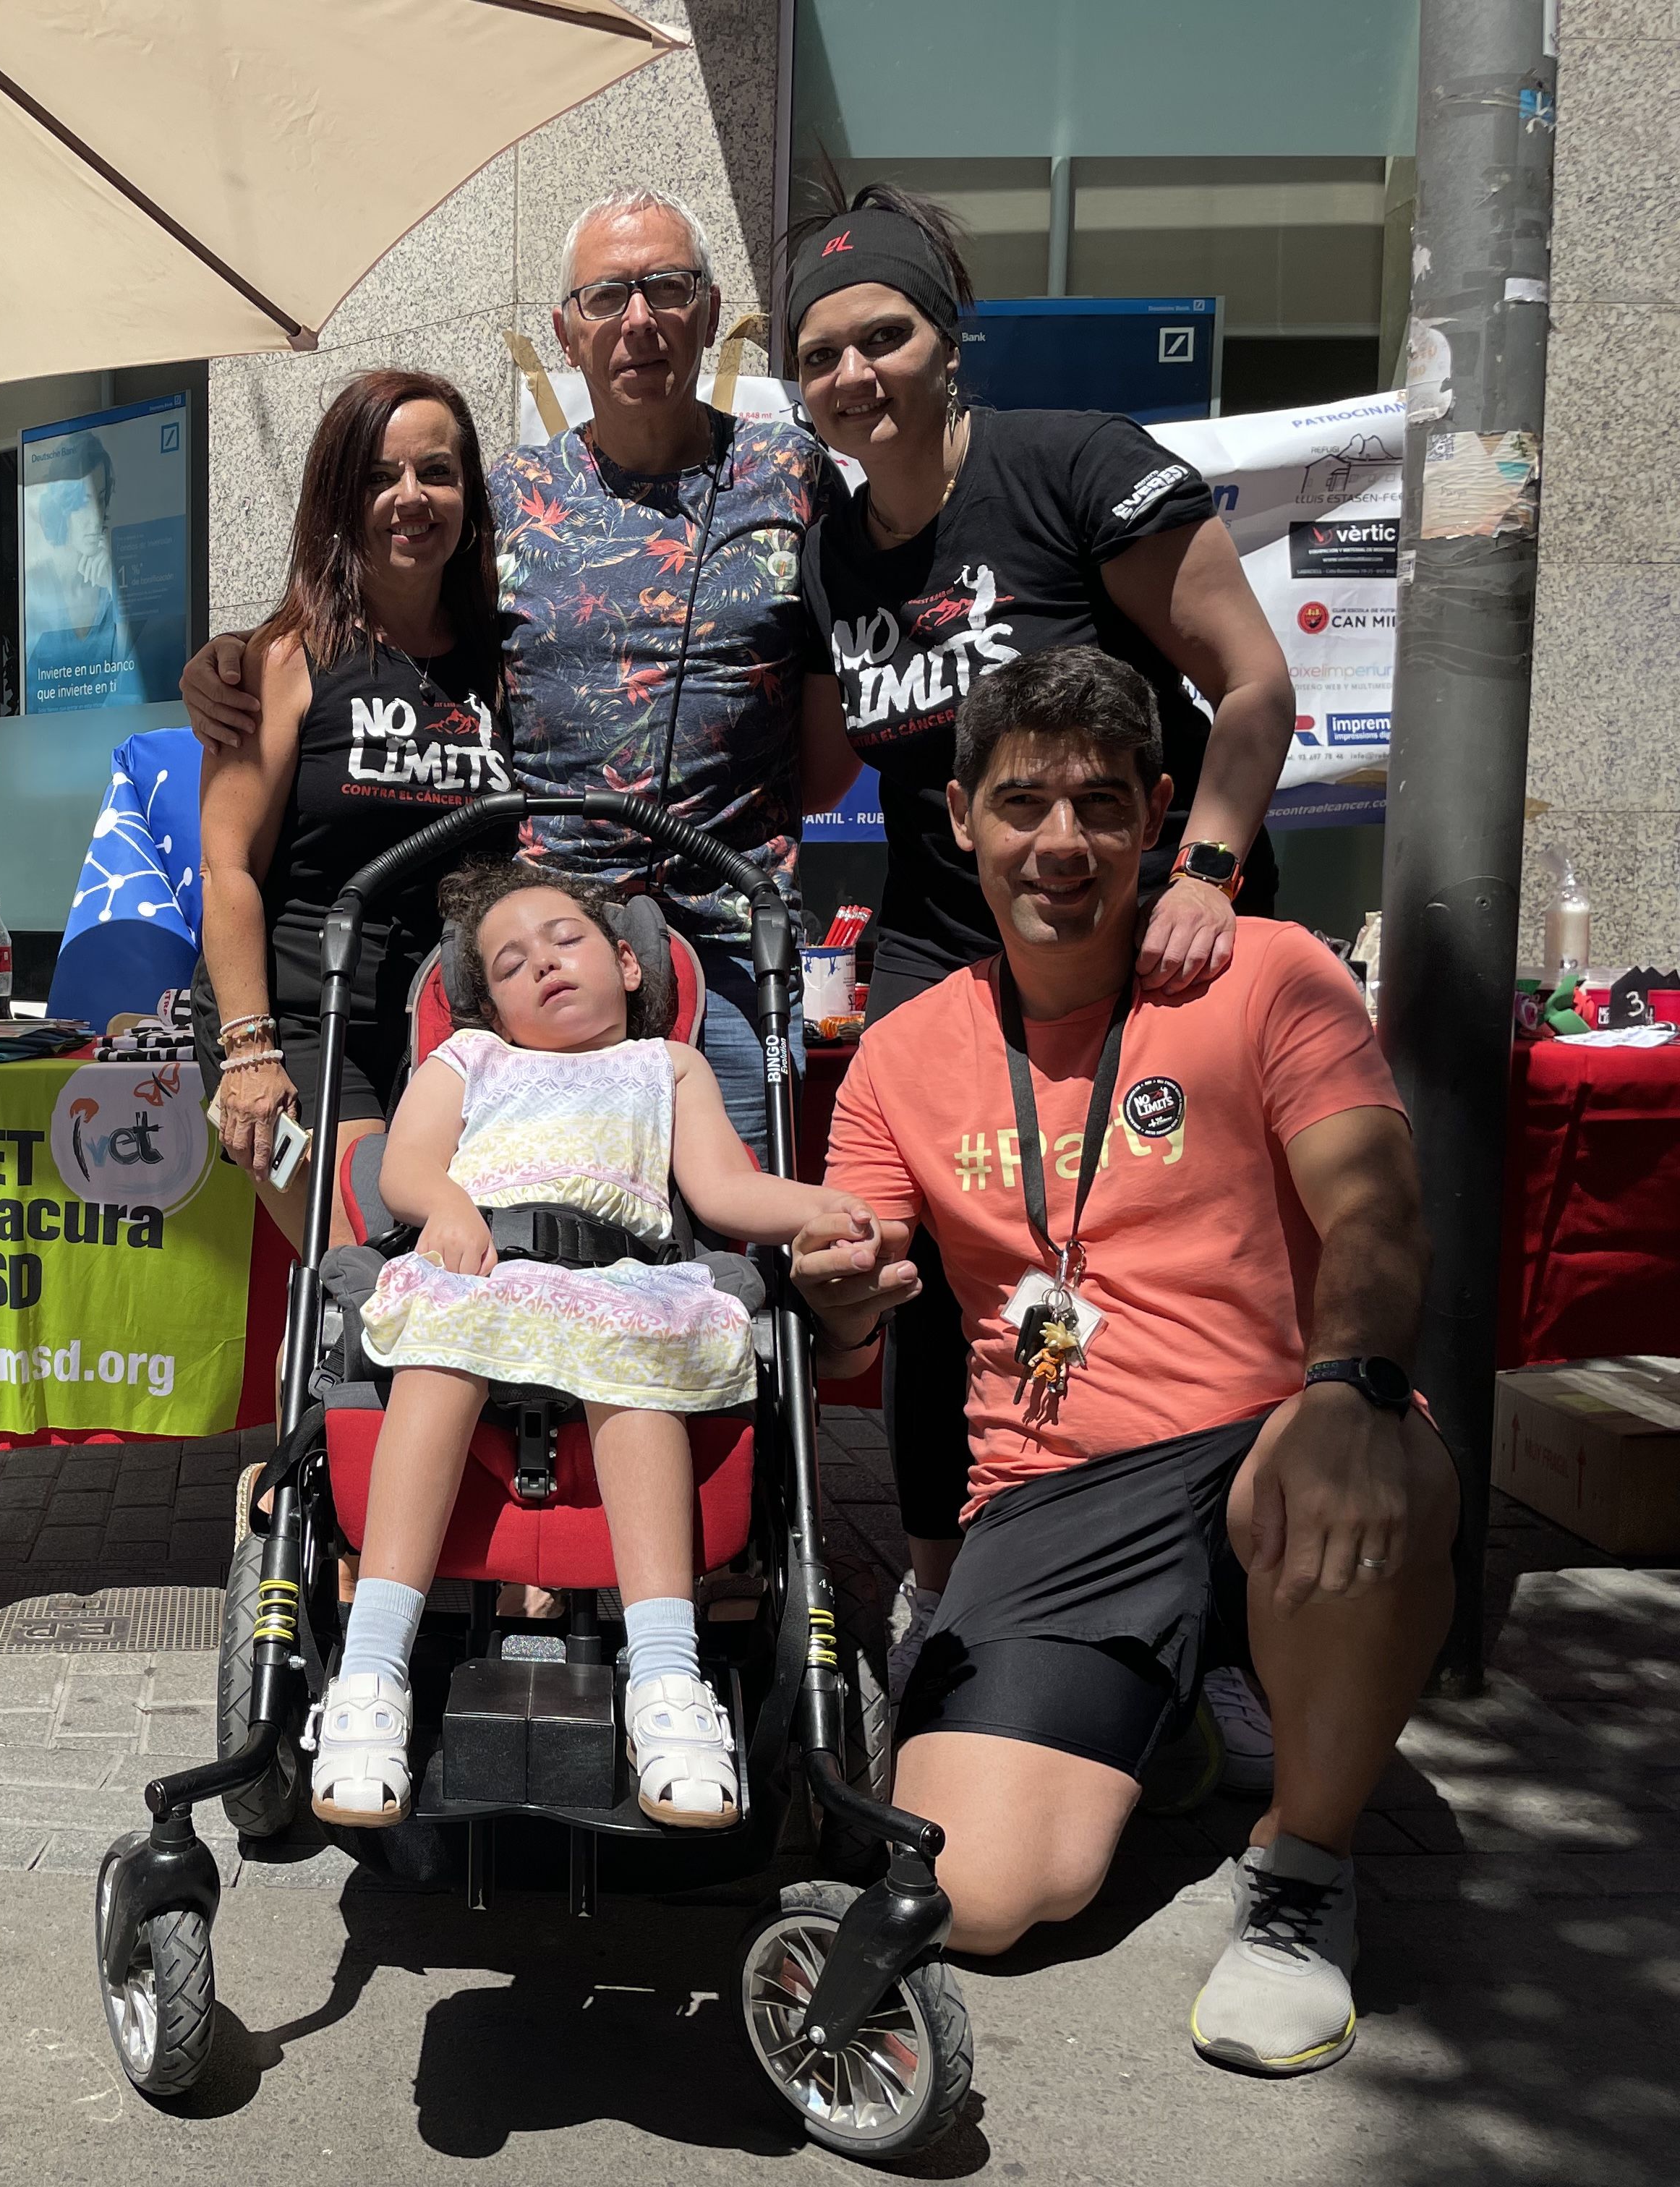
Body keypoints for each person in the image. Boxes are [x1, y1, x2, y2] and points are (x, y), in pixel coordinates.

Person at [790, 647, 1453, 2076]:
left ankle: (1304, 1875)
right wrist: (845, 1293)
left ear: (1158, 815)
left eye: (1099, 804)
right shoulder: (901, 1051)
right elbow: (852, 1305)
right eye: (1022, 803)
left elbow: (1376, 1210)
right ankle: (1166, 1728)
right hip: (1057, 1490)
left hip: (1264, 1435)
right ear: (960, 819)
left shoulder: (1272, 971)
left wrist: (1349, 1390)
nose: (1062, 842)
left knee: (1372, 1444)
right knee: (970, 1900)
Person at [781, 184, 1299, 1741]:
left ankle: (1227, 1606)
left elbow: (1253, 682)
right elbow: (811, 769)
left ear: (951, 341)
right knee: (939, 1277)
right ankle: (942, 1581)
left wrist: (1204, 872)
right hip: (956, 944)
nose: (857, 372)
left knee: (1187, 1253)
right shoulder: (828, 552)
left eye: (887, 333)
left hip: (1154, 919)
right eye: (822, 356)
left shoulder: (1070, 461)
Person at [187, 189, 854, 1159]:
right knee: (539, 1245)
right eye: (607, 296)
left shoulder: (795, 475)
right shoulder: (509, 499)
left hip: (731, 942)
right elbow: (382, 603)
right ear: (565, 333)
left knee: (737, 1258)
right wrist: (229, 655)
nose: (640, 320)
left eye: (667, 288)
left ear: (711, 313)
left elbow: (827, 753)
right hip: (541, 958)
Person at [312, 863, 874, 1831]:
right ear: (487, 1004)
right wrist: (447, 1206)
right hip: (488, 1257)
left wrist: (815, 1206)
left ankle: (666, 1679)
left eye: (565, 941)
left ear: (626, 962)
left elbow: (722, 1193)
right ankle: (371, 1669)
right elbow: (403, 1163)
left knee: (639, 1354)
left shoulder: (668, 1067)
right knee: (442, 1343)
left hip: (621, 1278)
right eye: (512, 963)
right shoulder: (472, 1062)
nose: (544, 965)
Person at [195, 368, 514, 1250]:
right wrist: (250, 1053)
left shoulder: (500, 662)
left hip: (451, 1031)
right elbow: (227, 867)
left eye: (437, 473)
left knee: (469, 1274)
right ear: (341, 497)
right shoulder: (284, 660)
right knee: (368, 1268)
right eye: (380, 477)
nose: (411, 498)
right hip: (300, 1023)